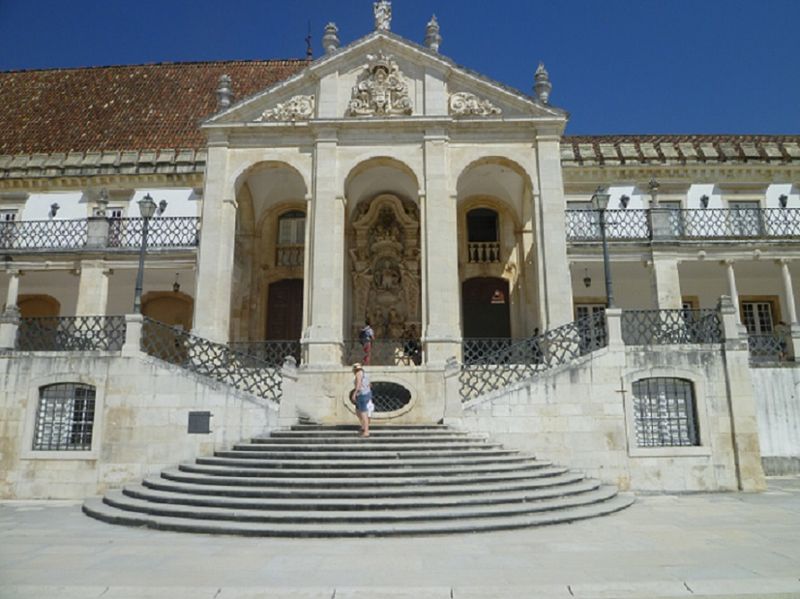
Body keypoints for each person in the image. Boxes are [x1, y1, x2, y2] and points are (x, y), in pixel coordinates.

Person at [352, 363, 372, 437]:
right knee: (358, 411)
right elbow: (370, 384)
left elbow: (358, 384)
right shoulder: (365, 374)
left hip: (362, 394)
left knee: (363, 412)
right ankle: (363, 425)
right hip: (367, 393)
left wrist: (355, 393)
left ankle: (366, 431)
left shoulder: (358, 374)